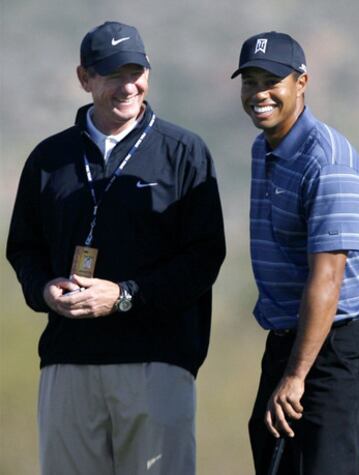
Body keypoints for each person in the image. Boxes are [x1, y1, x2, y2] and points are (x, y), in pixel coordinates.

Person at [7, 21, 225, 475]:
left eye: (136, 72)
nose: (128, 86)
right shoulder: (49, 159)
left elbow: (204, 258)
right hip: (67, 364)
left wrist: (125, 295)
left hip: (157, 363)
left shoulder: (184, 152)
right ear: (84, 78)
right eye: (112, 75)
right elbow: (23, 248)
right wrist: (44, 289)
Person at [231, 31, 359, 475]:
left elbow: (328, 279)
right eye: (250, 81)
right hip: (292, 341)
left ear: (301, 82)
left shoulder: (329, 162)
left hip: (338, 351)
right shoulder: (263, 148)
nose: (258, 93)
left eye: (271, 80)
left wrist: (296, 376)